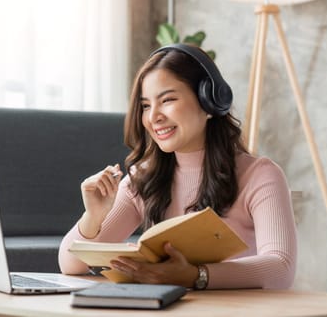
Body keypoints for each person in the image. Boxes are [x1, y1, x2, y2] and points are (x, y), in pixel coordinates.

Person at [58, 43, 297, 290]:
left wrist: (195, 275)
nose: (153, 117)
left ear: (210, 102)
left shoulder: (260, 176)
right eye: (146, 106)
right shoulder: (142, 180)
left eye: (168, 100)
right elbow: (69, 264)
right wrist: (93, 217)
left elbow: (281, 268)